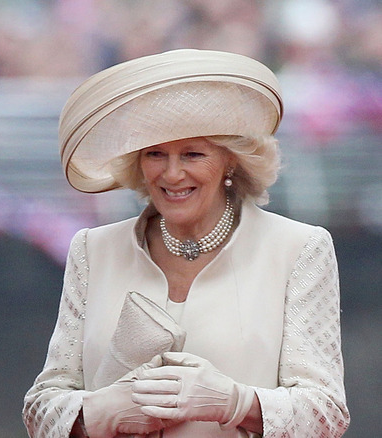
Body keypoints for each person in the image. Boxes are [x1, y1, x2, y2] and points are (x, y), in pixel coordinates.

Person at [22, 49, 350, 437]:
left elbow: (326, 412)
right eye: (155, 154)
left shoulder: (298, 248)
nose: (172, 173)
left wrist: (236, 403)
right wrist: (102, 411)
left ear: (231, 160)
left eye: (193, 154)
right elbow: (41, 407)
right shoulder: (94, 249)